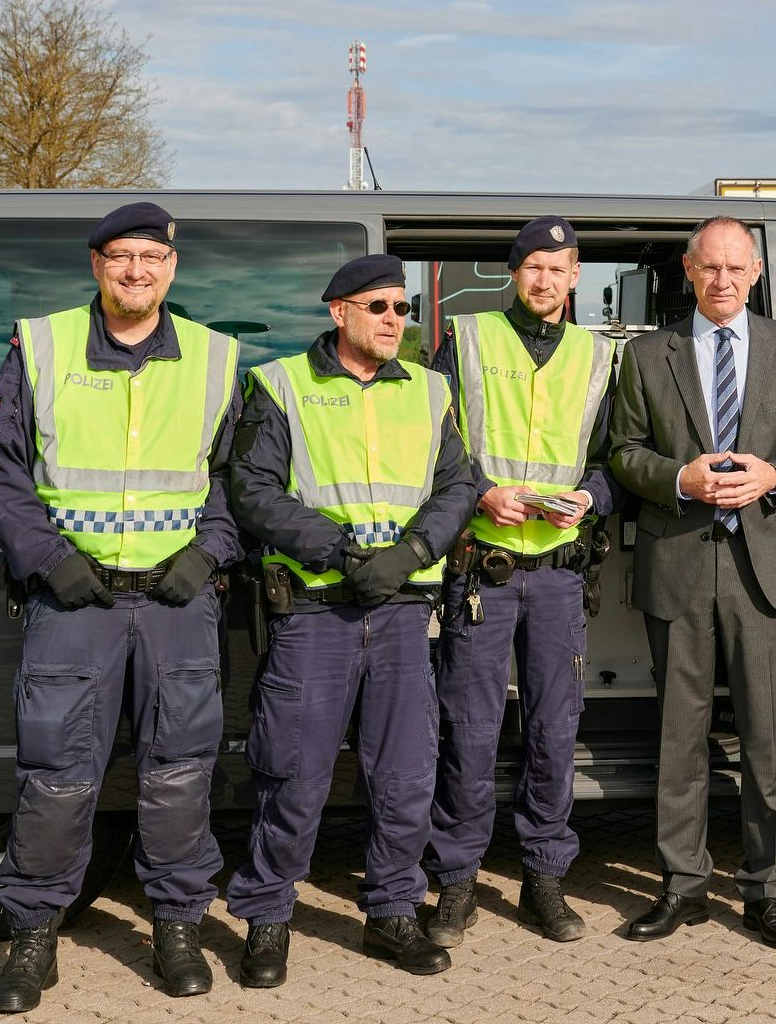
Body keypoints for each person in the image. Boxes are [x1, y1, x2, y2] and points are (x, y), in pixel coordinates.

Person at [0, 201, 240, 1011]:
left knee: (181, 770)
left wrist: (209, 552)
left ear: (172, 267)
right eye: (121, 256)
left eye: (151, 258)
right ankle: (31, 940)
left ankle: (177, 927)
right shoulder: (41, 345)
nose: (136, 271)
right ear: (96, 265)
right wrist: (49, 561)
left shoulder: (218, 357)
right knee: (56, 773)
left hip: (175, 601)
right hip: (73, 600)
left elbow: (240, 476)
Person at [224, 254, 477, 983]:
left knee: (403, 774)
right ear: (340, 312)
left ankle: (393, 913)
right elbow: (253, 489)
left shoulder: (431, 391)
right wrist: (340, 551)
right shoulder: (280, 384)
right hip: (314, 612)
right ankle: (268, 918)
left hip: (401, 610)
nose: (396, 320)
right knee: (292, 773)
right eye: (380, 307)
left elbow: (459, 484)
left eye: (403, 308)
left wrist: (413, 551)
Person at [608, 215, 776, 949]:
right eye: (711, 268)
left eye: (737, 268)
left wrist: (775, 474)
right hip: (679, 564)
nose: (724, 280)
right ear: (688, 270)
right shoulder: (647, 356)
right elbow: (623, 452)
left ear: (757, 273)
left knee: (769, 741)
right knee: (681, 737)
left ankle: (767, 891)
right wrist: (679, 477)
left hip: (766, 569)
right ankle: (682, 887)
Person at [422, 217, 616, 948]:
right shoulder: (466, 340)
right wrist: (477, 495)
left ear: (575, 276)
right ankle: (458, 881)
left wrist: (592, 496)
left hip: (561, 574)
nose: (545, 281)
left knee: (552, 733)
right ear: (515, 273)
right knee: (468, 731)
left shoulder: (599, 358)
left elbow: (615, 458)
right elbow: (431, 440)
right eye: (533, 267)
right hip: (483, 570)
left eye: (559, 268)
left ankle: (544, 877)